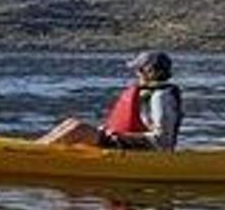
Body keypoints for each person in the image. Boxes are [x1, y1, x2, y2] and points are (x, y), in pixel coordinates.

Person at [40, 51, 184, 150]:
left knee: (78, 128)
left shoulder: (161, 97)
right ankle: (37, 148)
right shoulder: (148, 93)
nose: (136, 74)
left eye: (139, 70)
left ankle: (35, 154)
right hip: (130, 142)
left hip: (149, 150)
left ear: (153, 72)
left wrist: (123, 136)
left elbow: (162, 140)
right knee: (71, 123)